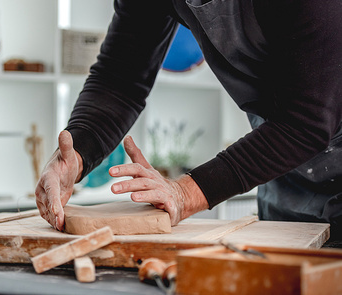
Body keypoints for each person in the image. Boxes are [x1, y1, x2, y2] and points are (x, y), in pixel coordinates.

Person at [35, 0, 342, 241]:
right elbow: (120, 77)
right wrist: (76, 153)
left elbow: (306, 120)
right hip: (285, 161)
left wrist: (185, 193)